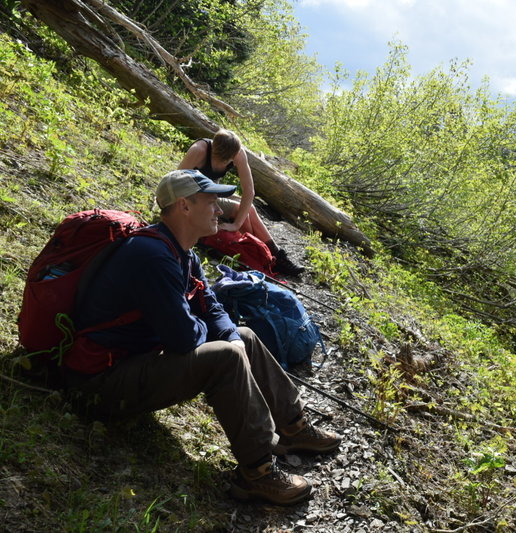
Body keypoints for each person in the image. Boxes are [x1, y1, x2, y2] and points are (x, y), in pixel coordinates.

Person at [63, 169, 340, 505]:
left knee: (245, 336)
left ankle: (293, 427)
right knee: (227, 356)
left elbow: (211, 305)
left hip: (137, 363)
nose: (220, 211)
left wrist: (229, 334)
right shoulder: (151, 257)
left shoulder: (183, 252)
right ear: (184, 207)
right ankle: (257, 473)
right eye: (211, 202)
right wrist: (221, 339)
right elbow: (182, 337)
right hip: (101, 384)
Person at [178, 129, 305, 276]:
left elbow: (249, 191)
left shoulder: (238, 153)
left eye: (228, 161)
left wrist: (236, 225)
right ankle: (259, 255)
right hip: (195, 196)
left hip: (214, 193)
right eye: (221, 160)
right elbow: (175, 181)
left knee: (249, 209)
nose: (225, 163)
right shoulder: (199, 150)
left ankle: (275, 256)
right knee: (241, 209)